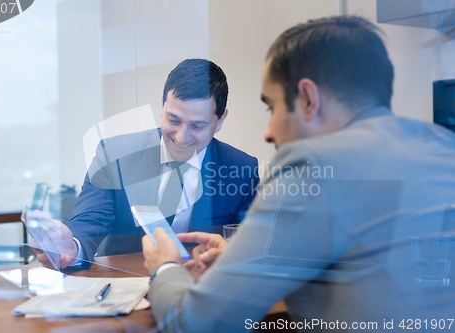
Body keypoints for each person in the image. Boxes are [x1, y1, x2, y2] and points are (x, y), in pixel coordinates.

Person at [142, 17, 455, 332]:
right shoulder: (445, 148)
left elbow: (199, 324)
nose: (269, 132)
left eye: (272, 107)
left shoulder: (313, 165)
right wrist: (245, 259)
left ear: (308, 98)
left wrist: (165, 266)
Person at [33, 59, 259, 269]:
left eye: (197, 126)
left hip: (197, 292)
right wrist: (71, 248)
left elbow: (248, 245)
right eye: (173, 120)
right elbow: (90, 221)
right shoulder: (114, 156)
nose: (181, 137)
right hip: (122, 285)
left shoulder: (242, 170)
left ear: (220, 121)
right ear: (161, 106)